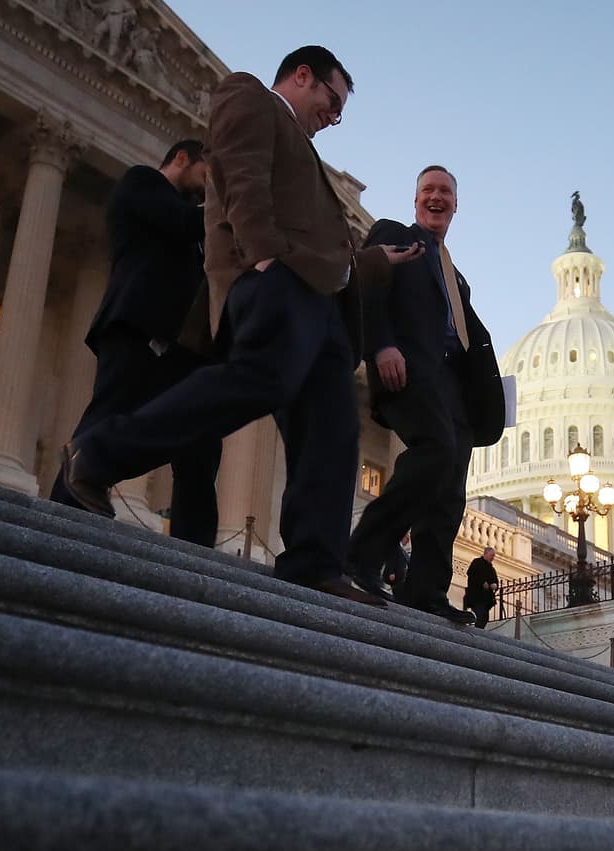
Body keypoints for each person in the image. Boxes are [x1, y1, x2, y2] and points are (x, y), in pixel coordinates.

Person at [61, 46, 423, 607]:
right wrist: (261, 253)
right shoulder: (249, 96)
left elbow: (333, 249)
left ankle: (313, 559)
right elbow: (239, 172)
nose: (334, 117)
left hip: (324, 300)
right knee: (257, 380)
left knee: (332, 428)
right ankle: (101, 455)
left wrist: (376, 263)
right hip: (276, 280)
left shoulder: (305, 151)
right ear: (302, 76)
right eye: (332, 101)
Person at [345, 165, 505, 623]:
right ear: (416, 200)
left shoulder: (458, 278)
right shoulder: (395, 234)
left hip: (452, 382)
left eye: (445, 192)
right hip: (410, 366)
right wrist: (380, 345)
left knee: (451, 485)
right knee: (433, 452)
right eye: (428, 190)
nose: (436, 198)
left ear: (456, 205)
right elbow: (368, 284)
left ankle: (426, 590)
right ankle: (363, 551)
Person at [49, 139, 221, 547]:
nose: (208, 187)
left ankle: (193, 549)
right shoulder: (142, 183)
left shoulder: (194, 220)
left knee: (201, 445)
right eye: (205, 175)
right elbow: (180, 224)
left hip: (181, 347)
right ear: (182, 158)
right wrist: (231, 205)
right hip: (136, 325)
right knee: (108, 416)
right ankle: (60, 515)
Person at [464, 546, 499, 629]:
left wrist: (495, 585)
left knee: (485, 617)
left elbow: (495, 581)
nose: (493, 558)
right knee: (481, 615)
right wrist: (482, 582)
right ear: (486, 554)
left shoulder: (492, 569)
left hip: (487, 598)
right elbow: (471, 574)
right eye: (492, 555)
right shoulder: (477, 562)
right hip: (477, 596)